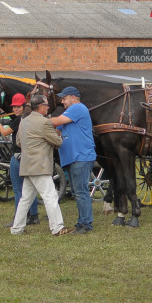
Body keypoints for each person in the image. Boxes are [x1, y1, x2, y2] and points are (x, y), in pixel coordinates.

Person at [12, 95, 71, 236]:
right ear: (40, 107)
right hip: (40, 166)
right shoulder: (45, 123)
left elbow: (19, 142)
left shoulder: (24, 122)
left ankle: (17, 228)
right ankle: (57, 228)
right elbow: (58, 142)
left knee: (25, 199)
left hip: (27, 166)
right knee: (50, 196)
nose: (48, 107)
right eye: (46, 105)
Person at [51, 87, 97, 234]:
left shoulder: (78, 108)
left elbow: (56, 122)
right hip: (73, 157)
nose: (62, 102)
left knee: (81, 191)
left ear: (73, 97)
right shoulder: (69, 114)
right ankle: (81, 222)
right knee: (77, 191)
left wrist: (40, 118)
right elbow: (57, 129)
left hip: (80, 157)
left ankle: (85, 224)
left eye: (64, 99)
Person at [0, 93, 39, 226]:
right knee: (30, 188)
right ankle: (33, 216)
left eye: (18, 107)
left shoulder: (19, 120)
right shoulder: (28, 118)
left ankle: (19, 218)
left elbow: (5, 132)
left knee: (18, 189)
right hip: (28, 156)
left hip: (17, 156)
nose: (16, 109)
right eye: (14, 107)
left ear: (24, 106)